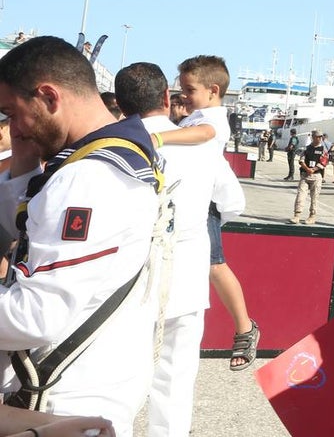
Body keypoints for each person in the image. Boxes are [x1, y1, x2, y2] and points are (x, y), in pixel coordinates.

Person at [0, 36, 164, 434]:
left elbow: (37, 317)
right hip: (90, 387)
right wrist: (23, 164)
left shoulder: (87, 177)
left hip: (59, 402)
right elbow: (33, 228)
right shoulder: (114, 154)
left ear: (49, 96)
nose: (13, 128)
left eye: (12, 113)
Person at [115, 62, 216, 437]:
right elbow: (230, 201)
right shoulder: (204, 145)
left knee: (119, 374)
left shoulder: (114, 144)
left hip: (131, 275)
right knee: (175, 376)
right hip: (187, 272)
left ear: (121, 105)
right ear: (165, 97)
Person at [163, 55, 259, 373]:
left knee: (215, 267)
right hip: (191, 198)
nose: (184, 96)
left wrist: (158, 136)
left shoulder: (214, 120)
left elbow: (204, 134)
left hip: (207, 204)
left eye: (189, 90)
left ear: (213, 90)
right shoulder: (196, 115)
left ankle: (245, 329)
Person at [290, 131, 325, 224]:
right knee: (300, 195)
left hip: (316, 175)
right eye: (317, 137)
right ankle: (297, 215)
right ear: (313, 137)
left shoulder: (323, 149)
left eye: (320, 137)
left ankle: (312, 216)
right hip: (305, 175)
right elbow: (301, 160)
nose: (319, 138)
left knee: (314, 197)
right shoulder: (306, 148)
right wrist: (307, 169)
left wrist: (313, 169)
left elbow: (324, 162)